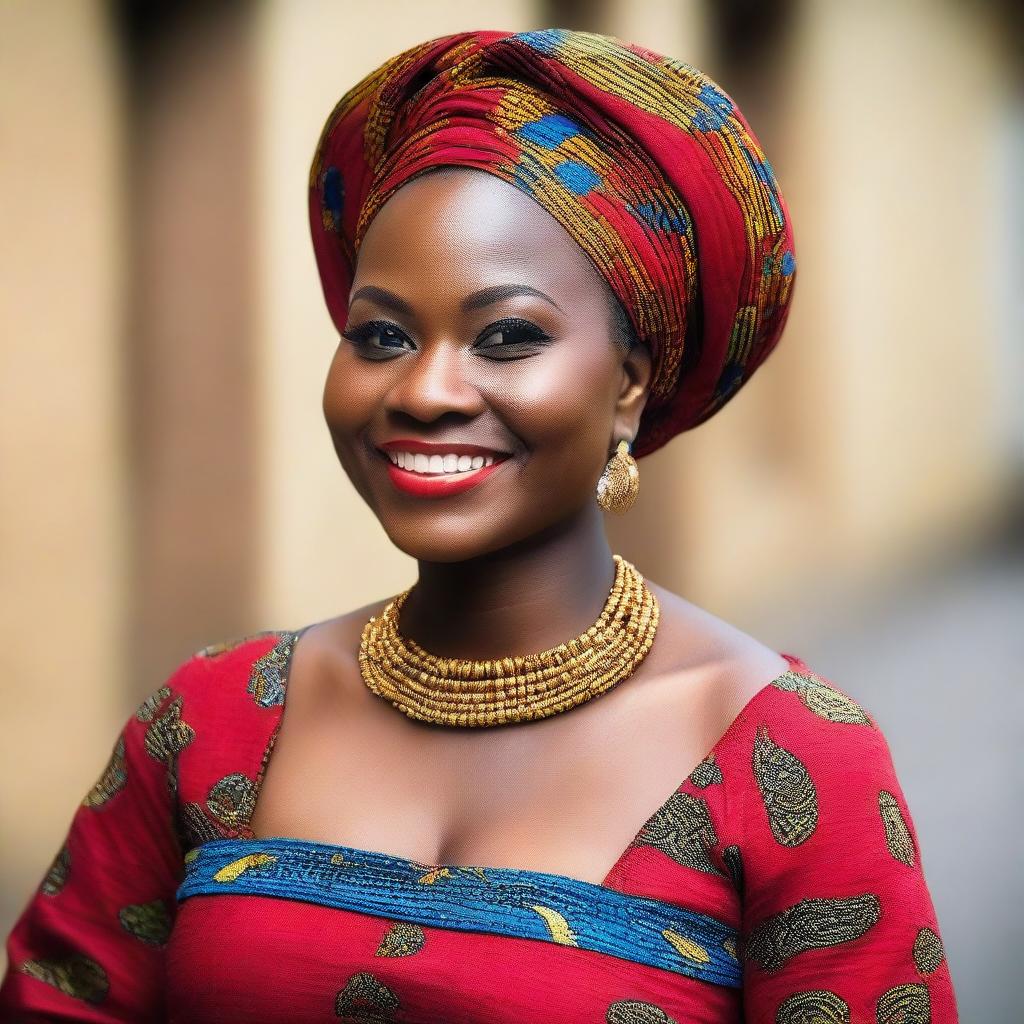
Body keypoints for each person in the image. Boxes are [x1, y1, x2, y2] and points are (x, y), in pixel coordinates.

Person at [0, 27, 958, 1023]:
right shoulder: (207, 723)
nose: (424, 390)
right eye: (381, 335)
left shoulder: (793, 755)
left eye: (507, 336)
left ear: (626, 387)